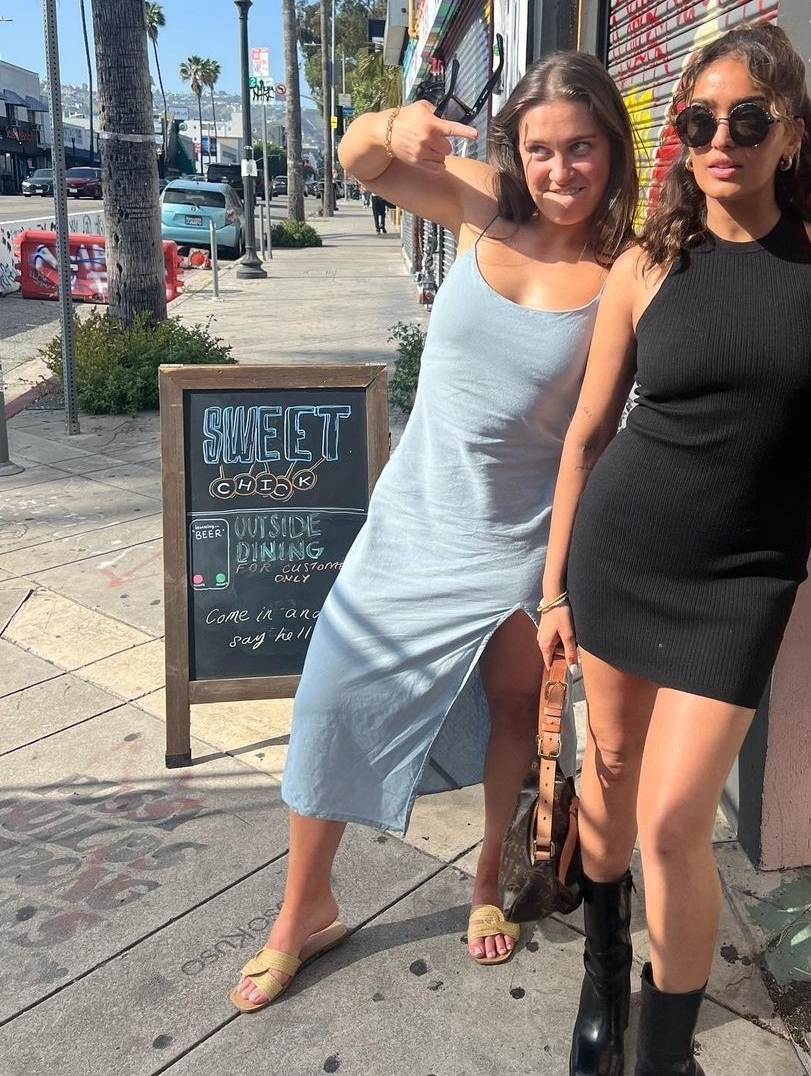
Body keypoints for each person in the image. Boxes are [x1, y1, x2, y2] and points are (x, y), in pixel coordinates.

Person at [536, 24, 811, 1076]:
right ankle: (603, 982)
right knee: (609, 780)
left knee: (674, 818)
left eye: (749, 121)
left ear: (790, 134)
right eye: (700, 121)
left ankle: (667, 1053)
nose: (722, 140)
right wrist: (553, 593)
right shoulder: (648, 261)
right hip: (621, 552)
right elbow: (586, 438)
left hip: (744, 580)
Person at [229, 50, 640, 1011]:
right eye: (540, 149)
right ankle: (304, 906)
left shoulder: (627, 266)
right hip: (414, 519)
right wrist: (387, 123)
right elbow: (361, 162)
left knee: (512, 714)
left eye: (581, 147)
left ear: (614, 150)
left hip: (523, 539)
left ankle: (487, 879)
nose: (560, 169)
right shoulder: (486, 204)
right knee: (330, 698)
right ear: (517, 152)